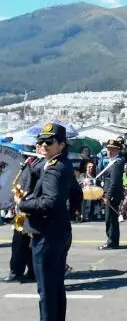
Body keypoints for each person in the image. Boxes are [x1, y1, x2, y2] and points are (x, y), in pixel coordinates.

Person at [16, 123, 73, 321]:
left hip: (48, 234)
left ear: (62, 145)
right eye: (41, 142)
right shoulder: (56, 164)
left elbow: (49, 203)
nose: (43, 146)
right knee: (55, 287)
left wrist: (23, 204)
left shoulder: (54, 169)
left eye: (49, 142)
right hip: (58, 231)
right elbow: (77, 194)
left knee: (47, 291)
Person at [4, 152, 44, 283]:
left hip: (30, 207)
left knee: (22, 244)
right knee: (24, 244)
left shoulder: (42, 165)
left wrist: (24, 197)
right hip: (25, 206)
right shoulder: (30, 163)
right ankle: (26, 271)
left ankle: (19, 272)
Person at [98, 139, 125, 250]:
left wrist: (108, 197)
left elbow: (114, 182)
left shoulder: (116, 163)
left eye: (113, 149)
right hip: (109, 193)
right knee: (110, 218)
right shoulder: (111, 161)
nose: (109, 151)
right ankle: (112, 240)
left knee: (111, 219)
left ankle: (112, 242)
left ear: (118, 150)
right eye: (108, 149)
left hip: (112, 194)